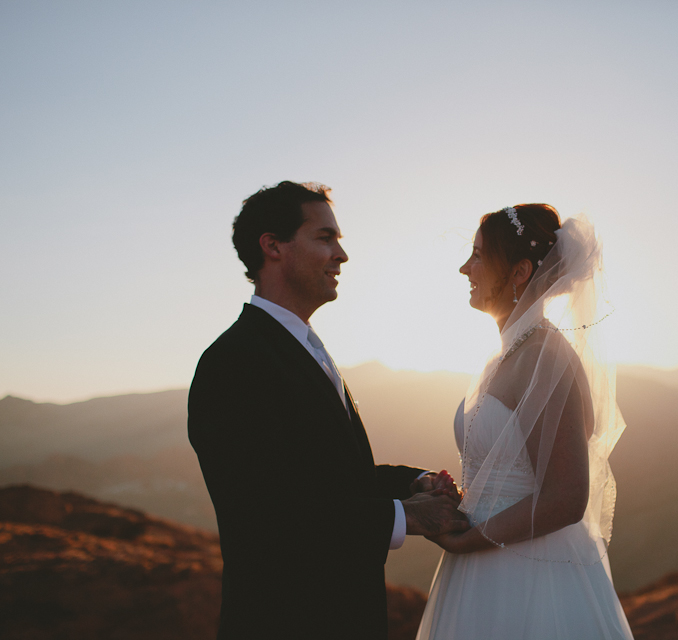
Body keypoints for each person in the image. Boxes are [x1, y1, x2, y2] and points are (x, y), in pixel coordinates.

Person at [188, 181, 467, 640]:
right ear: (273, 246)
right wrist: (409, 516)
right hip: (284, 621)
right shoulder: (233, 362)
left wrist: (412, 483)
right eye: (325, 238)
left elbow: (322, 478)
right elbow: (267, 516)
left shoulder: (301, 348)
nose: (342, 255)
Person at [416, 204, 632, 639]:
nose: (465, 268)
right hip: (482, 567)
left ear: (519, 272)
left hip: (529, 578)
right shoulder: (509, 354)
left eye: (477, 256)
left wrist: (468, 540)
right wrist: (458, 495)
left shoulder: (544, 359)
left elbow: (568, 497)